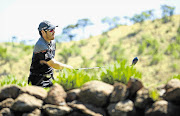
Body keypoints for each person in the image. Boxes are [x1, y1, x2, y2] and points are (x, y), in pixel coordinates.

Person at [28, 20, 73, 87]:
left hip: (50, 78)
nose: (54, 32)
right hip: (38, 80)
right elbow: (52, 63)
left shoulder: (53, 43)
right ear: (43, 32)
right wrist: (68, 68)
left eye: (54, 29)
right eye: (51, 30)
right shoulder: (40, 45)